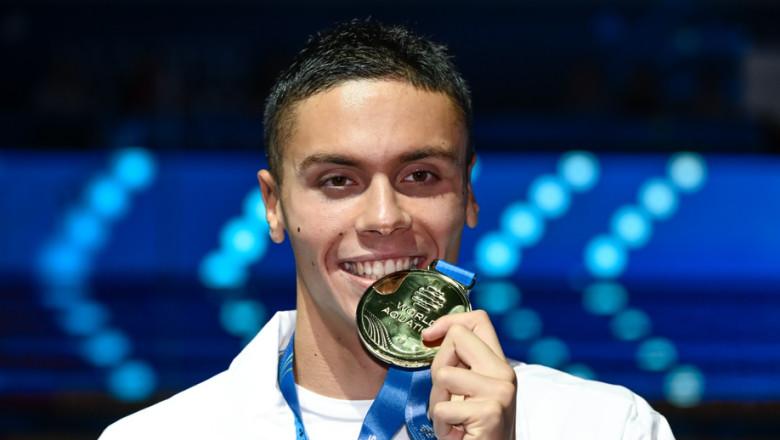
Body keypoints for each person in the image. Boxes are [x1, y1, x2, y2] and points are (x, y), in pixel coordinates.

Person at [100, 19, 674, 440]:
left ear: (469, 193)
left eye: (420, 175)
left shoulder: (608, 425)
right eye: (338, 180)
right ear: (273, 206)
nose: (384, 217)